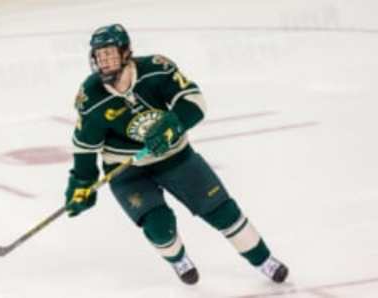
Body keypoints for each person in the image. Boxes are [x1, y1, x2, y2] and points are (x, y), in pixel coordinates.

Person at [65, 23, 289, 285]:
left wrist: (173, 124)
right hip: (127, 171)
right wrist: (82, 182)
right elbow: (85, 146)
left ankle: (264, 260)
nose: (104, 62)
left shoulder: (156, 69)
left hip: (176, 158)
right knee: (159, 227)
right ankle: (178, 260)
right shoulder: (91, 95)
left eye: (110, 53)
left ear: (126, 52)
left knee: (223, 212)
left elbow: (194, 103)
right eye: (99, 56)